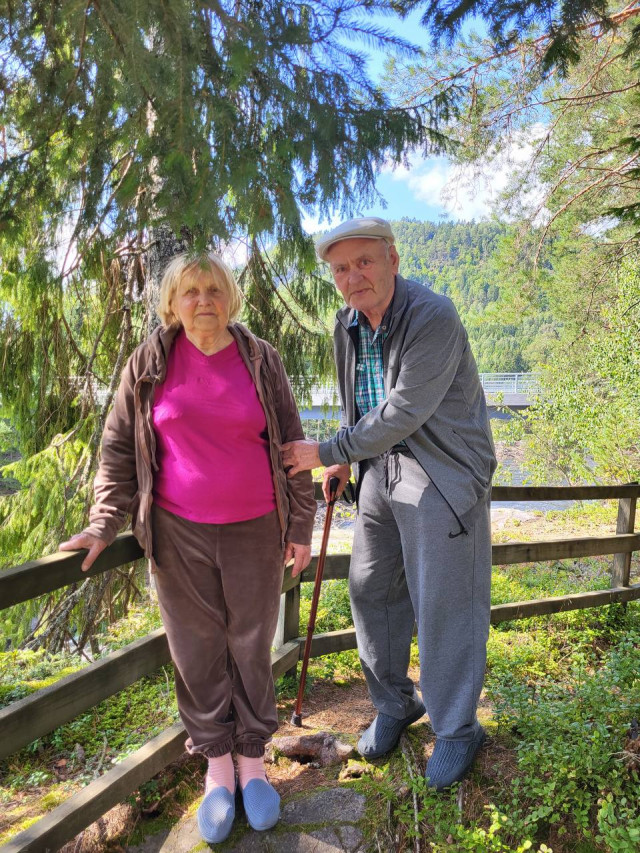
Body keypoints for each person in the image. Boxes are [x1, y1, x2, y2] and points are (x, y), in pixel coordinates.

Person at [60, 253, 316, 843]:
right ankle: (218, 770)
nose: (204, 300)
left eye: (214, 289)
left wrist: (301, 526)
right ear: (172, 303)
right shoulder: (149, 362)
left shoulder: (260, 358)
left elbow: (292, 446)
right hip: (177, 532)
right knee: (196, 651)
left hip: (256, 527)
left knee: (251, 644)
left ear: (230, 298)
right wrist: (103, 523)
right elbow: (118, 450)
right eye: (191, 291)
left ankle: (254, 763)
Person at [282, 217, 496, 790]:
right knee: (371, 588)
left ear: (393, 261)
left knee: (443, 602)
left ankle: (457, 729)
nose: (353, 277)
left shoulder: (433, 316)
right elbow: (358, 400)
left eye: (364, 262)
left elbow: (403, 410)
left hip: (442, 471)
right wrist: (345, 460)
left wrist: (325, 451)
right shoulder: (347, 323)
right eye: (340, 269)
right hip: (379, 468)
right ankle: (397, 703)